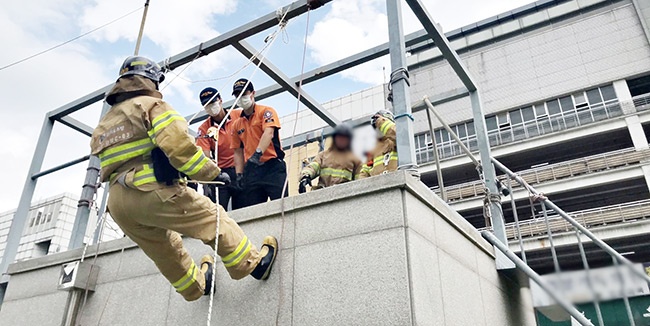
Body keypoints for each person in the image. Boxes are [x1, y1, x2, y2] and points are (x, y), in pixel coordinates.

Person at [90, 56, 278, 302]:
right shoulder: (151, 106)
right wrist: (212, 174)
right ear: (151, 80)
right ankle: (252, 264)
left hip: (118, 203)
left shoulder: (105, 123)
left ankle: (195, 287)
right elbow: (180, 148)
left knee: (164, 249)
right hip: (152, 188)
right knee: (215, 219)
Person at [230, 78, 287, 206]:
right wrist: (239, 174)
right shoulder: (236, 124)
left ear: (253, 93)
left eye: (244, 94)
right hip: (253, 171)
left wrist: (257, 154)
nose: (241, 98)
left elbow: (269, 133)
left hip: (273, 167)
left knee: (281, 206)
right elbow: (237, 151)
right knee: (253, 209)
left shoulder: (266, 112)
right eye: (237, 95)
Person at [195, 87, 244, 210]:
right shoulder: (203, 129)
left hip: (242, 170)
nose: (210, 107)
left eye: (212, 103)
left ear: (220, 100)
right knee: (217, 211)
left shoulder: (238, 116)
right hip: (221, 173)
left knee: (245, 208)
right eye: (206, 105)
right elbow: (205, 156)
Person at [299, 124, 362, 193]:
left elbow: (360, 179)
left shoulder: (355, 159)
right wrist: (305, 176)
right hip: (323, 194)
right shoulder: (323, 155)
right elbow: (312, 167)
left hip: (344, 195)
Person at [358, 110, 398, 178]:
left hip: (396, 180)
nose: (377, 127)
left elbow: (400, 136)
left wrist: (382, 122)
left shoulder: (395, 140)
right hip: (378, 184)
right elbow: (365, 171)